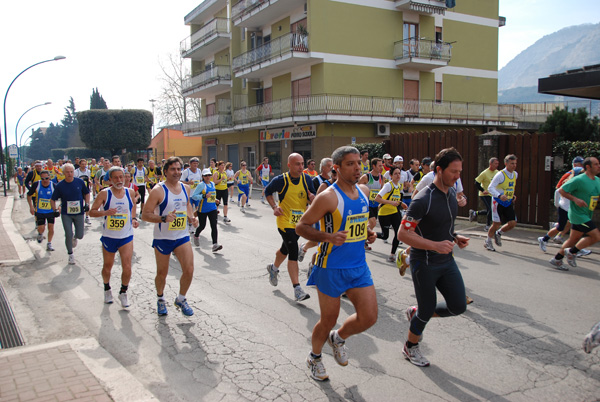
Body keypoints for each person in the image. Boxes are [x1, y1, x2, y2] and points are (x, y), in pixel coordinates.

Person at [296, 146, 377, 381]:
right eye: (350, 164)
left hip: (358, 266)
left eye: (358, 163)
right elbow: (301, 226)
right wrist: (329, 237)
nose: (356, 168)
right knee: (328, 319)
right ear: (337, 168)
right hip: (330, 267)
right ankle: (315, 357)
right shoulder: (328, 197)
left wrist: (368, 234)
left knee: (369, 317)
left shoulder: (363, 191)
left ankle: (338, 337)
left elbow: (359, 225)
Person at [397, 147, 469, 367]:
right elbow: (403, 233)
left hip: (446, 261)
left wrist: (455, 237)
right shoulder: (423, 199)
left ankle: (416, 313)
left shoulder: (451, 196)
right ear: (439, 170)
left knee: (458, 306)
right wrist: (434, 245)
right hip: (424, 263)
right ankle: (411, 347)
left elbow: (441, 225)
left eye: (459, 172)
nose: (457, 176)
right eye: (453, 172)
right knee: (428, 310)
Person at [142, 156, 198, 316]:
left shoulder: (185, 188)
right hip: (163, 238)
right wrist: (163, 218)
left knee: (189, 269)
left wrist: (191, 217)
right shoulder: (158, 190)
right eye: (173, 169)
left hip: (181, 236)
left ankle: (181, 299)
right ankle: (160, 299)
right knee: (162, 273)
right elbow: (145, 215)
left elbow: (186, 204)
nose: (177, 172)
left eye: (179, 169)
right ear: (165, 171)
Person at [264, 153, 316, 302]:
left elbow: (311, 196)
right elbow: (267, 192)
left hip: (299, 223)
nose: (301, 167)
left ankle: (273, 268)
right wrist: (274, 206)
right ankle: (297, 289)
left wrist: (312, 198)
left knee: (285, 249)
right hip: (285, 222)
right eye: (297, 164)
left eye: (302, 164)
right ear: (289, 165)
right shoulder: (281, 180)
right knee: (293, 251)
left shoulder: (306, 179)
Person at [89, 166, 139, 307]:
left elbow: (133, 206)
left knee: (127, 266)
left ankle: (123, 292)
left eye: (121, 177)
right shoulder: (104, 194)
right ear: (110, 179)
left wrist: (134, 219)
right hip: (109, 236)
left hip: (126, 236)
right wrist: (105, 213)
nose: (119, 180)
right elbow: (91, 212)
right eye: (115, 177)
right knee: (107, 266)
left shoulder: (130, 192)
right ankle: (107, 289)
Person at [549, 157, 600, 270]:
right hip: (578, 215)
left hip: (586, 214)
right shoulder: (579, 179)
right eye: (596, 164)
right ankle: (572, 252)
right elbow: (562, 190)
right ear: (588, 167)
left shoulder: (597, 180)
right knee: (596, 236)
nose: (598, 166)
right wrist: (575, 199)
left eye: (598, 164)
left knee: (573, 239)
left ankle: (557, 259)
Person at [50, 163, 91, 265]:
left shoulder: (80, 182)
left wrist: (87, 203)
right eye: (67, 172)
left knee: (80, 235)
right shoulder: (60, 185)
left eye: (71, 172)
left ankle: (75, 237)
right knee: (68, 234)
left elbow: (87, 193)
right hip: (66, 213)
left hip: (79, 212)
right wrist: (55, 209)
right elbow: (53, 199)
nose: (70, 174)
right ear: (63, 173)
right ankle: (70, 254)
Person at [298, 158, 333, 263]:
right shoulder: (316, 181)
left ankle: (304, 247)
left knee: (318, 241)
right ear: (323, 168)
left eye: (333, 166)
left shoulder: (335, 180)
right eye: (329, 166)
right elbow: (308, 198)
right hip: (319, 215)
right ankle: (315, 265)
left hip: (332, 214)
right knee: (322, 241)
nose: (331, 169)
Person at [485, 154, 518, 252]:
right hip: (497, 202)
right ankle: (488, 241)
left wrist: (512, 195)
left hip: (508, 202)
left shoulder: (515, 174)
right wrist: (499, 195)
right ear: (506, 163)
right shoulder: (500, 175)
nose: (514, 165)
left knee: (512, 223)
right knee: (496, 223)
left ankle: (498, 233)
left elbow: (509, 187)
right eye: (512, 163)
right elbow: (490, 188)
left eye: (515, 163)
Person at [375, 166, 407, 262]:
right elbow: (377, 198)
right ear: (390, 175)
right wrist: (391, 203)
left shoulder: (399, 186)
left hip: (394, 212)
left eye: (399, 173)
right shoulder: (388, 185)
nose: (398, 175)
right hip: (384, 213)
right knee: (385, 236)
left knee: (398, 234)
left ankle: (392, 254)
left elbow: (396, 199)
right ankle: (370, 234)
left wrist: (401, 203)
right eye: (395, 174)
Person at [191, 168, 222, 252]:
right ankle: (196, 235)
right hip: (203, 210)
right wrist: (203, 196)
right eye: (206, 175)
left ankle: (215, 244)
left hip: (212, 208)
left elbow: (211, 196)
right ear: (203, 176)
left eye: (209, 175)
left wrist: (215, 200)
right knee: (202, 226)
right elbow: (194, 196)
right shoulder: (201, 185)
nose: (208, 177)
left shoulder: (212, 184)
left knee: (214, 226)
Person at [27, 170, 57, 251]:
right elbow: (29, 195)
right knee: (41, 228)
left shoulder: (53, 185)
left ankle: (49, 243)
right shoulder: (36, 184)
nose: (45, 180)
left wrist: (58, 207)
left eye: (46, 178)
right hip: (40, 211)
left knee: (51, 228)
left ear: (49, 177)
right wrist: (31, 207)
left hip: (50, 211)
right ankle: (40, 234)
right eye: (43, 179)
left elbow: (60, 197)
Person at [358, 158, 384, 250]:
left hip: (375, 205)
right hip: (366, 204)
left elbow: (382, 191)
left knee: (372, 224)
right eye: (379, 165)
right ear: (373, 166)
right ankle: (363, 241)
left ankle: (363, 239)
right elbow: (357, 188)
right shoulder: (366, 177)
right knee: (372, 221)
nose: (381, 167)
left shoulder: (382, 177)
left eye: (382, 165)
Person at [470, 157, 499, 229]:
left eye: (497, 164)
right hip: (484, 194)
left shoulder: (497, 173)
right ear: (490, 164)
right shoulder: (484, 173)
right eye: (495, 163)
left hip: (493, 194)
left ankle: (475, 213)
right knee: (491, 209)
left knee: (492, 209)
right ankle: (488, 225)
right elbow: (476, 182)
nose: (497, 165)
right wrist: (483, 190)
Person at [181, 157, 202, 233]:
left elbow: (201, 181)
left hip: (197, 194)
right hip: (188, 194)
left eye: (197, 163)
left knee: (198, 209)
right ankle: (190, 224)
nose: (195, 165)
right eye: (194, 163)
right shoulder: (186, 172)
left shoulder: (199, 171)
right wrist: (188, 183)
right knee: (190, 209)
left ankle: (194, 221)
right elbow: (180, 181)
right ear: (190, 164)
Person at [74, 158, 93, 225]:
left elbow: (88, 179)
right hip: (78, 190)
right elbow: (74, 181)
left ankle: (87, 217)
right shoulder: (76, 172)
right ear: (79, 164)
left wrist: (90, 182)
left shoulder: (88, 171)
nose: (84, 165)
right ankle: (79, 217)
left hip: (86, 189)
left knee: (87, 204)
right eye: (82, 164)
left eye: (85, 164)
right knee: (79, 204)